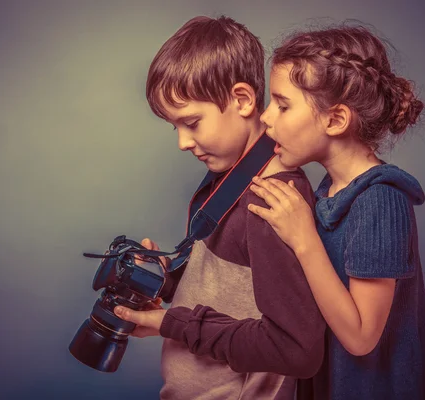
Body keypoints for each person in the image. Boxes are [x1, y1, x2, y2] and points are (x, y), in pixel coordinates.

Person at [113, 16, 326, 399]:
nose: (182, 142)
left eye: (192, 122)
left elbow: (294, 349)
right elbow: (234, 293)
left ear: (242, 100)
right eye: (174, 127)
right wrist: (168, 282)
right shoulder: (230, 176)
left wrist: (171, 324)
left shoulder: (270, 202)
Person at [247, 25, 425, 399]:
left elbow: (361, 336)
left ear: (335, 120)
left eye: (283, 105)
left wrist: (303, 239)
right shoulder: (329, 193)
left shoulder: (380, 201)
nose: (266, 117)